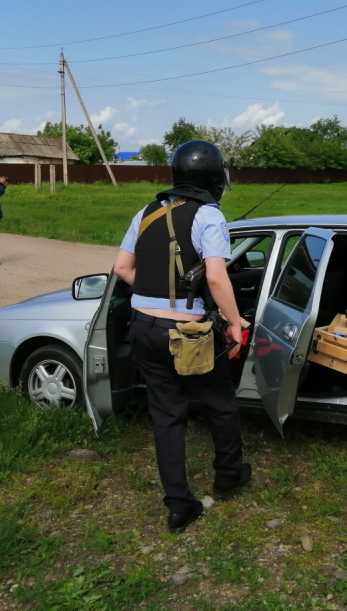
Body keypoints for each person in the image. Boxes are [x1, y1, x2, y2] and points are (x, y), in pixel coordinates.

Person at [113, 140, 251, 533]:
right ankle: (228, 474)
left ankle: (178, 504)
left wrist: (158, 292)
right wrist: (237, 322)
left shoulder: (146, 212)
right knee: (219, 401)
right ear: (214, 176)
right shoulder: (209, 215)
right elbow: (215, 275)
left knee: (166, 415)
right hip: (188, 332)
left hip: (143, 327)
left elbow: (122, 268)